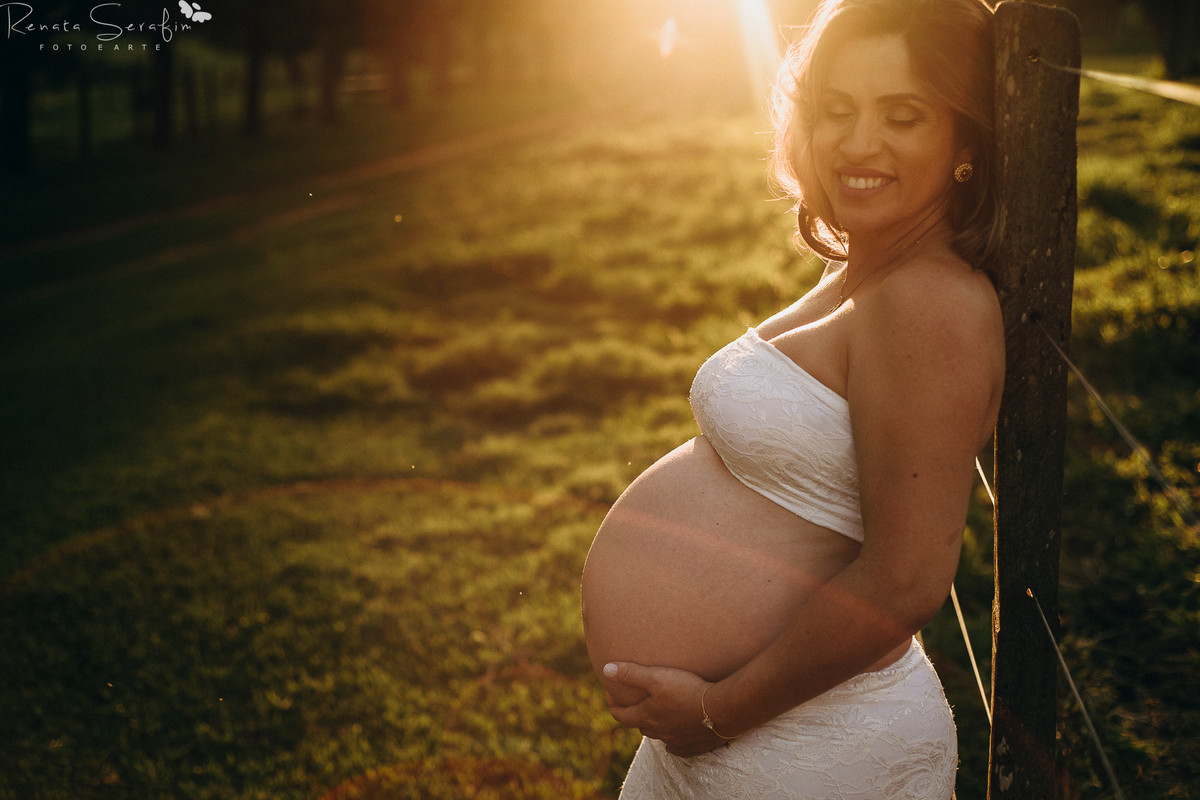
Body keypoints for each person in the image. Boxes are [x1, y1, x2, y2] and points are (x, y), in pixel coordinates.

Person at [579, 0, 1005, 796]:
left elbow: (908, 578)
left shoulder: (930, 304)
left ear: (964, 143)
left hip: (812, 744)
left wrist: (716, 711)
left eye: (903, 115)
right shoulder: (863, 271)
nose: (857, 141)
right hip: (739, 737)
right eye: (836, 109)